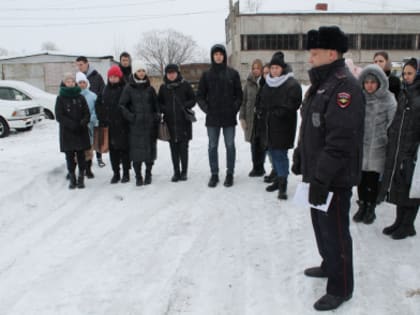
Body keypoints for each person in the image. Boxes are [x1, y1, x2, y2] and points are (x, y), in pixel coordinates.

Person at [292, 26, 365, 311]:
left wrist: (322, 178)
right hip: (317, 174)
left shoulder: (344, 86)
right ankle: (328, 264)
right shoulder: (321, 84)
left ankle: (341, 286)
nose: (310, 59)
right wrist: (300, 154)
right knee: (320, 228)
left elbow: (340, 140)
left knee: (335, 232)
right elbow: (310, 127)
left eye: (314, 53)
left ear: (331, 53)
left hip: (333, 177)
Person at [379, 57, 420, 240]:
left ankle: (408, 225)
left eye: (410, 73)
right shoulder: (405, 93)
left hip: (413, 151)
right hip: (399, 147)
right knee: (399, 186)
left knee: (412, 189)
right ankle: (399, 221)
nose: (406, 77)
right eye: (404, 73)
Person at [353, 64, 397, 224]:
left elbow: (393, 123)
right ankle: (362, 204)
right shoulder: (359, 98)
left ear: (379, 82)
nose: (369, 85)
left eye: (373, 82)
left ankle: (371, 207)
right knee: (360, 179)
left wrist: (384, 138)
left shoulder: (388, 99)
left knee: (372, 179)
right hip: (362, 147)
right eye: (366, 82)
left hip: (378, 147)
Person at [256, 52, 302, 199]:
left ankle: (283, 186)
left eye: (277, 68)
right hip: (268, 126)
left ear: (282, 68)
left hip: (283, 127)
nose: (274, 71)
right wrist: (262, 111)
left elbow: (293, 104)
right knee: (273, 154)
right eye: (272, 68)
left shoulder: (291, 84)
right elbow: (262, 102)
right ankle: (277, 179)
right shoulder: (267, 83)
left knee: (280, 155)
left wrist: (276, 112)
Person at [197, 44, 243, 188]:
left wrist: (234, 109)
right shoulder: (206, 75)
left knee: (230, 146)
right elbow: (200, 96)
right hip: (213, 118)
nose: (218, 56)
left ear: (224, 56)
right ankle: (214, 174)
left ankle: (230, 174)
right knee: (212, 146)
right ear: (212, 56)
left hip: (229, 117)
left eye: (220, 54)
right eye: (215, 54)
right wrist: (207, 109)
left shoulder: (233, 73)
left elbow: (239, 95)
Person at [119, 61, 159, 186]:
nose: (141, 73)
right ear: (134, 72)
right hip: (135, 127)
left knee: (149, 152)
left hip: (149, 125)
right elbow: (122, 106)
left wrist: (155, 116)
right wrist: (132, 117)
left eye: (143, 71)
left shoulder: (150, 88)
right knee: (136, 153)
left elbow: (156, 105)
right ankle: (138, 176)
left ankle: (148, 173)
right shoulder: (128, 88)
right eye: (139, 71)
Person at [158, 64, 196, 182]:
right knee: (173, 149)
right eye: (169, 73)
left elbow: (193, 99)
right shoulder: (163, 87)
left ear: (177, 73)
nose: (171, 75)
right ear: (166, 74)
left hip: (183, 122)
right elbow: (158, 103)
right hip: (170, 123)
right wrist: (165, 109)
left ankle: (184, 172)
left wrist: (185, 105)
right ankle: (176, 172)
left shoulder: (185, 85)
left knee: (183, 148)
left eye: (173, 72)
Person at [55, 72, 91, 189]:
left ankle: (81, 177)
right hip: (67, 132)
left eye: (72, 81)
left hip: (81, 131)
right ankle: (72, 178)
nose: (70, 83)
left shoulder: (80, 97)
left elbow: (87, 113)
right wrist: (71, 124)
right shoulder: (60, 98)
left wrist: (82, 122)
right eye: (68, 81)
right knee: (69, 156)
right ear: (64, 83)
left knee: (81, 156)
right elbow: (59, 116)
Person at [97, 65, 130, 184]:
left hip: (123, 125)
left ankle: (126, 173)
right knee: (113, 152)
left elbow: (130, 105)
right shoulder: (105, 90)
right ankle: (116, 173)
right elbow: (98, 105)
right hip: (109, 126)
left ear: (120, 77)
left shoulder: (125, 88)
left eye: (115, 76)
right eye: (111, 77)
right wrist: (102, 118)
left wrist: (126, 117)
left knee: (125, 151)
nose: (113, 79)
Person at [76, 56, 106, 167]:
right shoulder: (77, 77)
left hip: (95, 112)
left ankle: (99, 158)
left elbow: (102, 92)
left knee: (97, 138)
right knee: (84, 139)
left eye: (81, 64)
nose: (79, 67)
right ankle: (86, 160)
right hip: (82, 117)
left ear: (87, 63)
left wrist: (98, 111)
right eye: (77, 65)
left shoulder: (96, 76)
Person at [239, 58, 266, 177]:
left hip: (262, 118)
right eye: (253, 68)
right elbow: (243, 101)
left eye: (258, 68)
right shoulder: (248, 83)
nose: (255, 70)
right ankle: (256, 167)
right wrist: (242, 117)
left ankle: (262, 167)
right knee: (253, 143)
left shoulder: (266, 82)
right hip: (251, 118)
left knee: (263, 144)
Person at [76, 72, 98, 179]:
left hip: (89, 126)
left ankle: (88, 169)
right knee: (77, 149)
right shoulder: (74, 96)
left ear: (87, 83)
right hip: (77, 127)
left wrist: (91, 119)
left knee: (89, 149)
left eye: (83, 82)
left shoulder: (93, 96)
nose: (81, 84)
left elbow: (96, 110)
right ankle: (78, 168)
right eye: (79, 82)